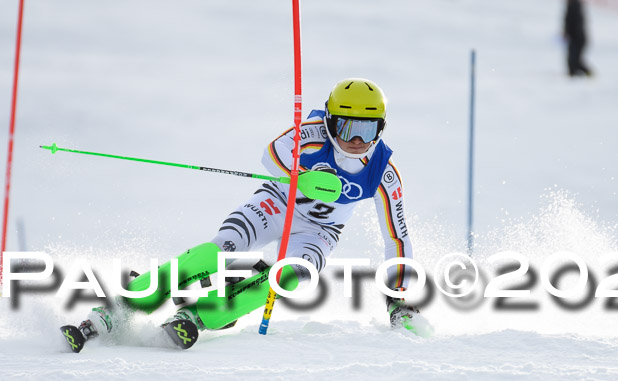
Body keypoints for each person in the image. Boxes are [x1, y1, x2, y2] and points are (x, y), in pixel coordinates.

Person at [69, 78, 419, 348]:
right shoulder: (313, 135)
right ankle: (126, 303)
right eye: (346, 127)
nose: (356, 140)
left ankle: (203, 313)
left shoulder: (383, 173)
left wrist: (398, 297)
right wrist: (300, 177)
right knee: (220, 249)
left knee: (290, 276)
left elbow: (397, 237)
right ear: (330, 121)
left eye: (367, 129)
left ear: (380, 128)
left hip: (319, 233)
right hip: (277, 204)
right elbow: (272, 153)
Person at [564, 0, 593, 77]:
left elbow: (574, 23)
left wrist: (570, 34)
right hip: (576, 37)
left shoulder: (574, 6)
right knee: (573, 61)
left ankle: (588, 74)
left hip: (577, 37)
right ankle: (584, 74)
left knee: (574, 60)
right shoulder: (573, 5)